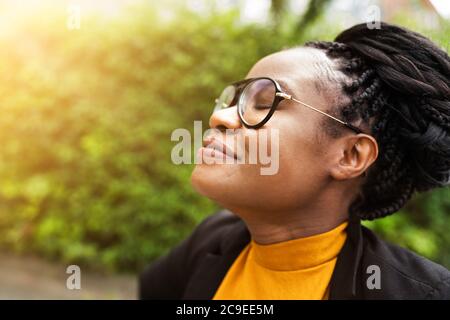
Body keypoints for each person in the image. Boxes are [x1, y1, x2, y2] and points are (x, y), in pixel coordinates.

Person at [140, 22, 450, 299]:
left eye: (263, 102)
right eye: (232, 100)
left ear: (350, 156)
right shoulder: (209, 241)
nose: (218, 116)